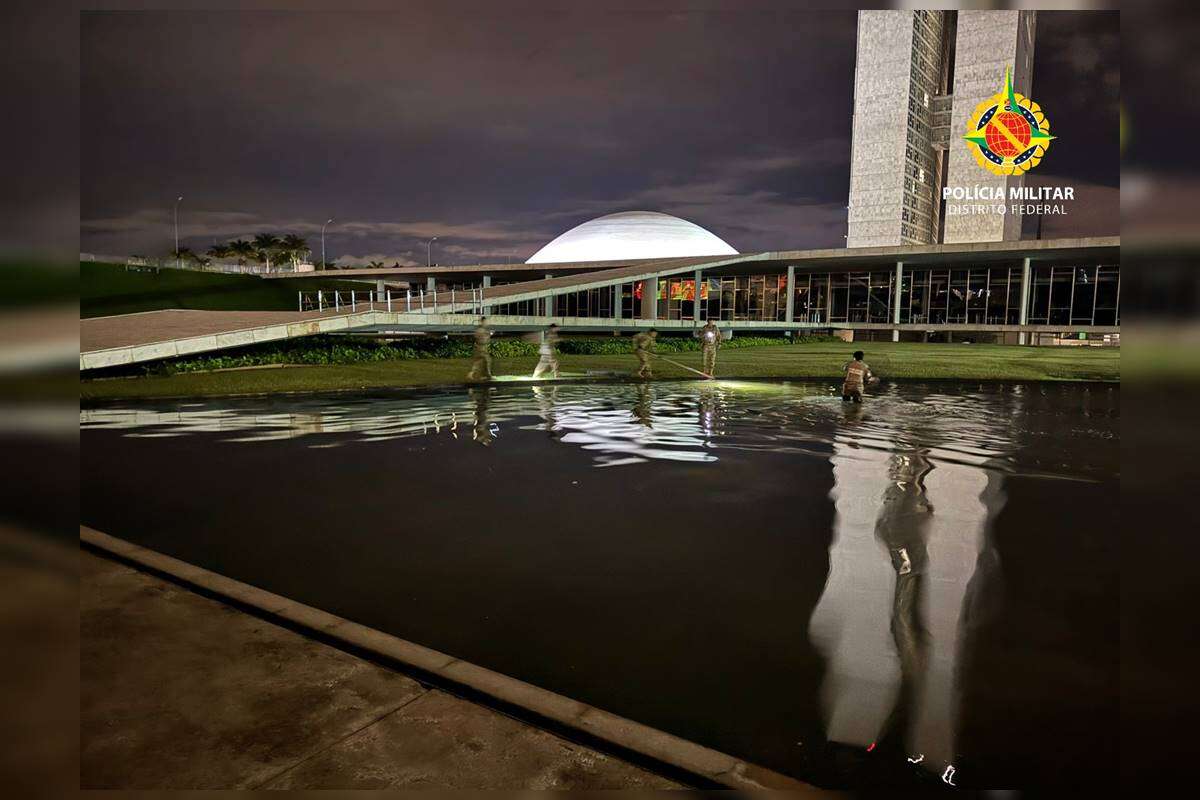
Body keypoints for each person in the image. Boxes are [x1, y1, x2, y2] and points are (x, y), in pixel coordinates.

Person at [466, 316, 493, 381]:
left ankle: (471, 374)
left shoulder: (482, 330)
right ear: (482, 322)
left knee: (478, 362)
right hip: (481, 347)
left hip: (480, 347)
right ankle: (488, 375)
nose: (486, 323)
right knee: (487, 360)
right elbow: (482, 339)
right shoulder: (481, 330)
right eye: (485, 322)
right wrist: (488, 335)